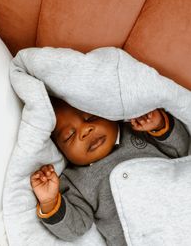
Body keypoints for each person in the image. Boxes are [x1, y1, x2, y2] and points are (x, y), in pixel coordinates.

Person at [30, 98, 190, 246]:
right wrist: (49, 202)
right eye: (69, 135)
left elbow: (180, 150)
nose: (86, 130)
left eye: (91, 117)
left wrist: (159, 125)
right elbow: (74, 229)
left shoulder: (137, 130)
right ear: (62, 151)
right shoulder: (76, 181)